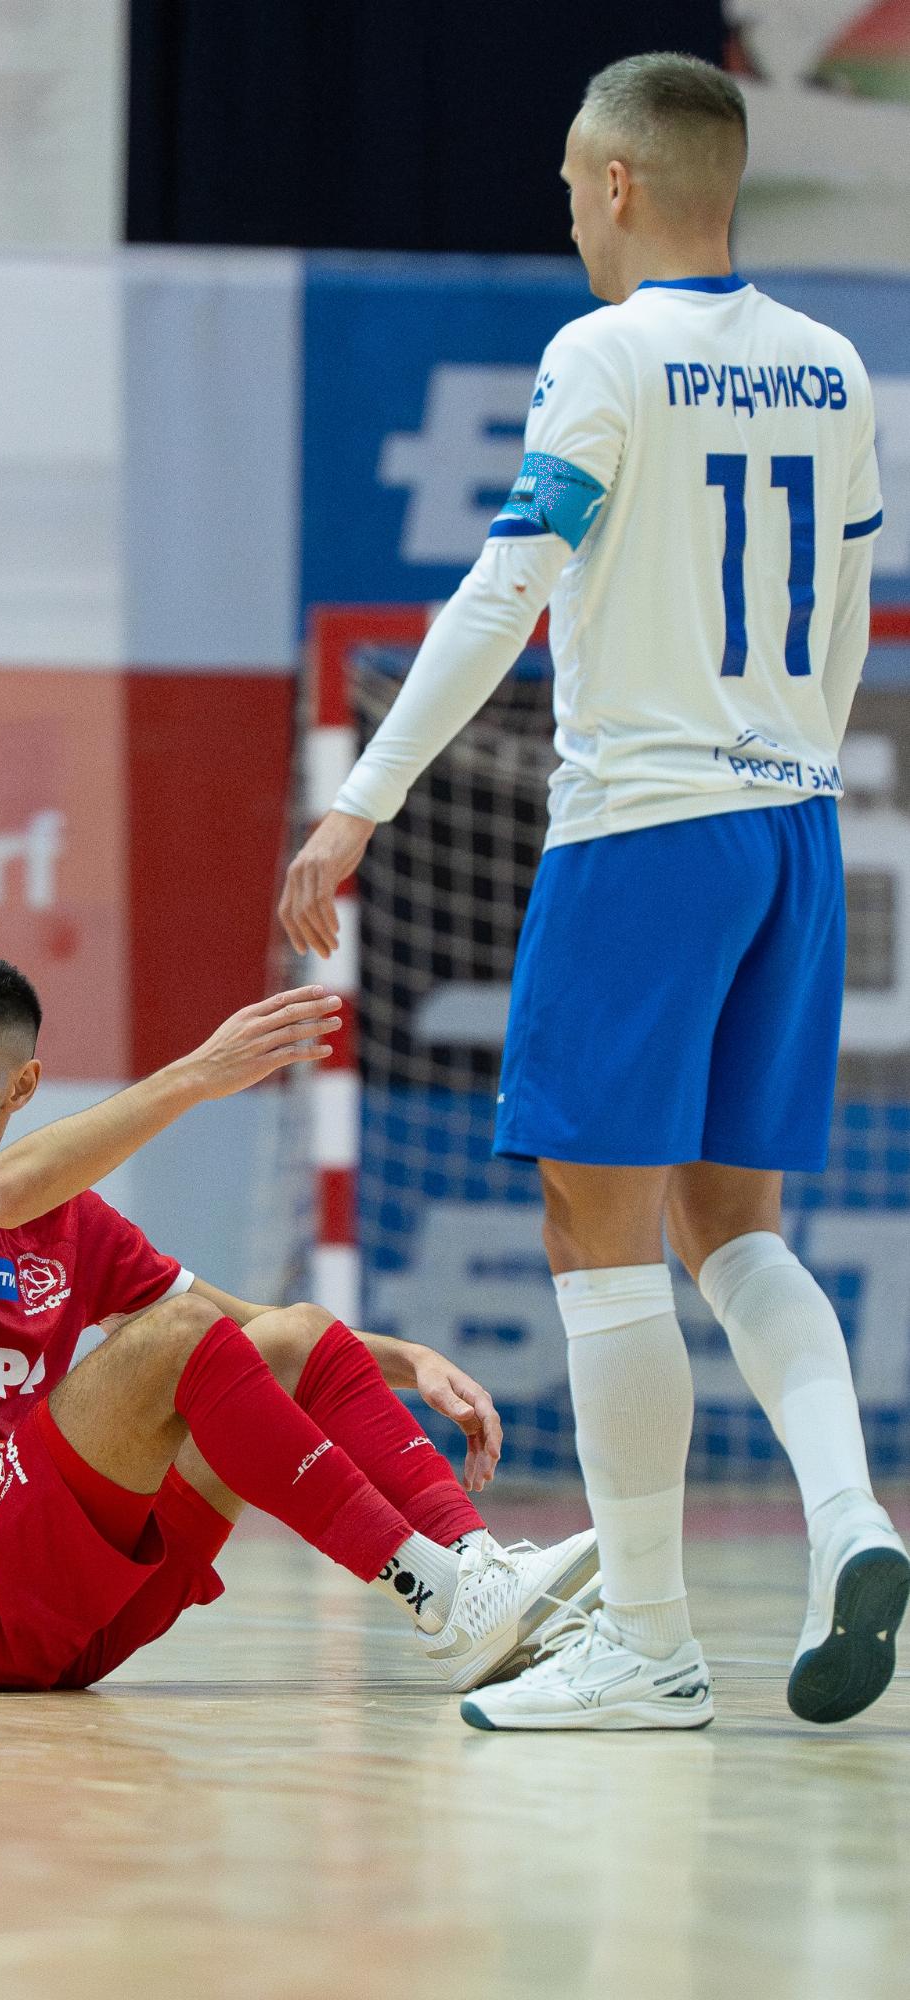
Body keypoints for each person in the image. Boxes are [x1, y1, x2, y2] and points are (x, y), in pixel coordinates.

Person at [280, 52, 908, 1731]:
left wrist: (358, 805)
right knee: (734, 1225)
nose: (569, 214)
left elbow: (505, 592)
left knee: (596, 1231)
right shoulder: (833, 364)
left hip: (642, 833)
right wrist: (788, 762)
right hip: (792, 828)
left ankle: (650, 1643)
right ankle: (850, 1516)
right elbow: (849, 619)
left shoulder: (605, 352)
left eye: (572, 186)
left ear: (618, 183)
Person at [0, 950, 597, 1695]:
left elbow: (254, 1328)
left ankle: (478, 1569)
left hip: (84, 1614)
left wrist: (409, 1359)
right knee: (179, 1333)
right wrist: (195, 1077)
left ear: (18, 1088)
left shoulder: (70, 1223)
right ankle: (437, 1597)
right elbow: (1, 1190)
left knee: (294, 1333)